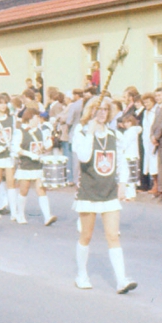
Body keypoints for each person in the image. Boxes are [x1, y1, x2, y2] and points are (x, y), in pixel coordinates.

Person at [72, 97, 136, 294]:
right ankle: (81, 274)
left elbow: (121, 161)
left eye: (105, 109)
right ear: (90, 111)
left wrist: (123, 184)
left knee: (113, 236)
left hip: (109, 191)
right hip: (89, 191)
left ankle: (121, 280)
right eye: (98, 109)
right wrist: (90, 132)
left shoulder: (115, 135)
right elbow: (83, 156)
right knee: (86, 235)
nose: (102, 113)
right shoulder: (81, 132)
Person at [12, 108, 57, 226]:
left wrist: (49, 144)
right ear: (30, 118)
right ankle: (20, 214)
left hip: (38, 165)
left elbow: (45, 146)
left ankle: (47, 216)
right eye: (37, 117)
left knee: (41, 189)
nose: (39, 119)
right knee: (24, 190)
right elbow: (15, 148)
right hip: (26, 165)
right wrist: (29, 154)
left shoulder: (41, 131)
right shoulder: (20, 131)